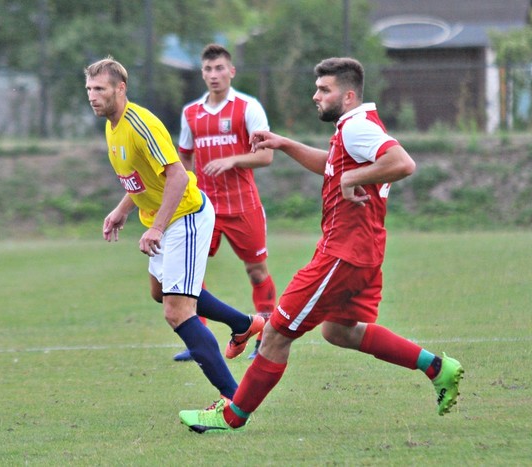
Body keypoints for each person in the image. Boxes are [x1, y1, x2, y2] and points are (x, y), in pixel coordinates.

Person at [179, 57, 464, 433]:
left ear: (347, 96)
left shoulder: (357, 128)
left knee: (278, 332)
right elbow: (331, 164)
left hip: (343, 254)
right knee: (339, 331)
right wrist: (283, 144)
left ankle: (232, 415)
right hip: (361, 252)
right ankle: (437, 367)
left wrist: (354, 178)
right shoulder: (353, 127)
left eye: (324, 90)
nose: (316, 96)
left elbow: (402, 162)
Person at [84, 56, 264, 402]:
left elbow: (178, 175)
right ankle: (243, 324)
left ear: (120, 89)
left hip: (186, 217)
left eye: (100, 89)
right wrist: (123, 209)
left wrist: (158, 228)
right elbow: (143, 178)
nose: (92, 96)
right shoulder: (112, 124)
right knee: (160, 291)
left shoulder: (139, 125)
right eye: (89, 89)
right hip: (162, 219)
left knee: (177, 310)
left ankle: (235, 401)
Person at [173, 44, 277, 362]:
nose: (214, 75)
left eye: (220, 68)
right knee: (190, 271)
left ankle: (266, 336)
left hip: (243, 205)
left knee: (257, 271)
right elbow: (184, 158)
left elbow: (266, 155)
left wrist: (232, 160)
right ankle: (197, 341)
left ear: (231, 71)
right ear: (202, 73)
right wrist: (186, 191)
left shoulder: (248, 108)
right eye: (208, 69)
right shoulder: (191, 113)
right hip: (203, 208)